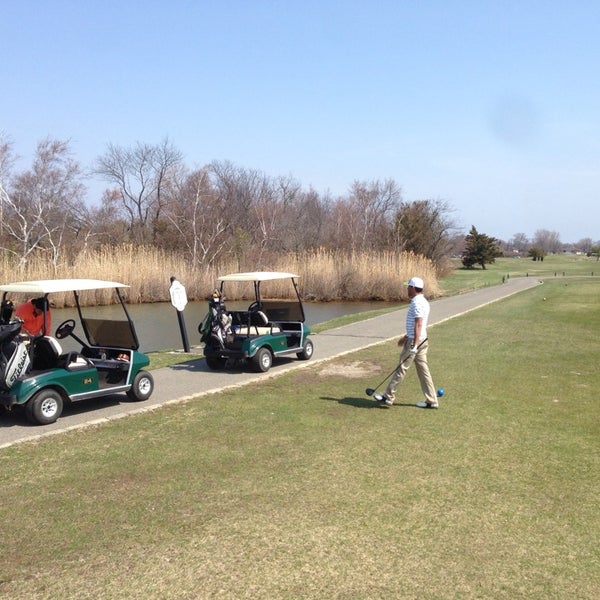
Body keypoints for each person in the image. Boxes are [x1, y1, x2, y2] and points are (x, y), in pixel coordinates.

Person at [377, 276, 438, 409]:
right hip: (422, 339)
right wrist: (406, 337)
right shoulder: (423, 301)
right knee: (423, 371)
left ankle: (388, 396)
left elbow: (418, 323)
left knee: (401, 368)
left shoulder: (417, 303)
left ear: (412, 288)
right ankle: (432, 400)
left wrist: (413, 344)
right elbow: (416, 325)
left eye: (408, 287)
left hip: (416, 341)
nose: (406, 289)